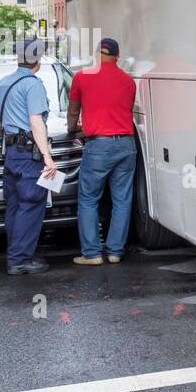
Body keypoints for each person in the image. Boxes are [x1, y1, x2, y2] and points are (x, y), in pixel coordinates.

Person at [0, 39, 58, 276]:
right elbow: (36, 122)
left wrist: (8, 133)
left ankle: (15, 255)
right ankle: (20, 260)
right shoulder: (32, 84)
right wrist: (47, 156)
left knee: (14, 205)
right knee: (31, 203)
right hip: (29, 155)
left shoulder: (5, 82)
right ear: (38, 61)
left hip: (11, 153)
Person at [68, 37, 137, 265]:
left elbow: (73, 109)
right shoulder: (128, 81)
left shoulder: (82, 77)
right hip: (126, 144)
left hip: (98, 145)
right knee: (122, 199)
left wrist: (73, 128)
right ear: (117, 56)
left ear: (97, 54)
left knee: (88, 199)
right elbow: (124, 109)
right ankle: (115, 251)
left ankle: (92, 254)